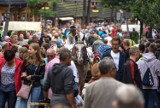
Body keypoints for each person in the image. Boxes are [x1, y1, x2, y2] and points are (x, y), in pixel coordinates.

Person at [20, 43, 45, 108]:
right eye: (29, 49)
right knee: (23, 103)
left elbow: (42, 75)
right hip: (26, 84)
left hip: (36, 85)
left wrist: (32, 77)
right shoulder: (26, 60)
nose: (28, 51)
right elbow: (21, 71)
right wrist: (24, 75)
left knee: (34, 105)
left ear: (36, 51)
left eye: (30, 49)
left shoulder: (41, 62)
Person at [137, 43, 160, 108]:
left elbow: (137, 69)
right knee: (151, 102)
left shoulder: (141, 60)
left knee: (143, 102)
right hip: (153, 86)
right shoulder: (157, 62)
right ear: (155, 51)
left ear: (148, 50)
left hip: (143, 84)